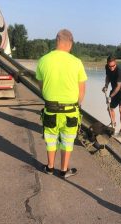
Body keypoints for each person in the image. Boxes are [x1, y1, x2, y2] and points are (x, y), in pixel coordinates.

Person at [36, 29, 87, 178]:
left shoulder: (43, 60)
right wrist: (75, 105)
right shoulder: (77, 62)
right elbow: (81, 91)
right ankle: (64, 170)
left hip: (50, 109)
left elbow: (41, 85)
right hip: (70, 110)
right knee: (67, 141)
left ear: (57, 41)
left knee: (51, 139)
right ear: (70, 43)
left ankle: (50, 168)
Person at [102, 55, 121, 137]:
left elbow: (118, 87)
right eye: (110, 66)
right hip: (114, 90)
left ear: (115, 63)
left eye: (113, 66)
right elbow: (108, 77)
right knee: (110, 108)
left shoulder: (120, 70)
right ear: (107, 64)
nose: (111, 68)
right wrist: (106, 85)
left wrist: (110, 96)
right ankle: (113, 123)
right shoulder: (107, 67)